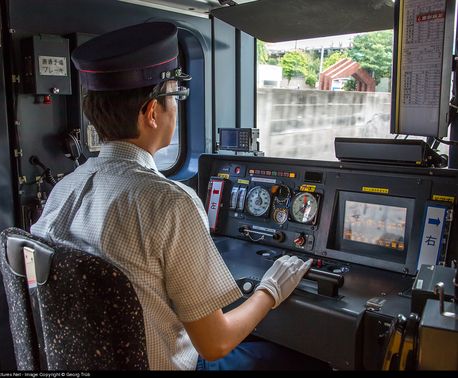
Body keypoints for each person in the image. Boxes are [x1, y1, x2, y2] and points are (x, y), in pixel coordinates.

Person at [31, 21, 317, 371]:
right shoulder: (170, 202)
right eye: (174, 98)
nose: (177, 108)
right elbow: (215, 343)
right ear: (152, 113)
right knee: (300, 358)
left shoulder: (64, 190)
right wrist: (271, 288)